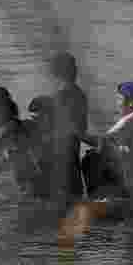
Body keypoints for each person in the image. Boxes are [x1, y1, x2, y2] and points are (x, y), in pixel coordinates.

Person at [80, 82, 133, 204]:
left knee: (92, 157)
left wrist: (77, 133)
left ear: (130, 103)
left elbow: (101, 141)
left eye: (119, 99)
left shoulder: (130, 120)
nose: (117, 104)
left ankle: (98, 200)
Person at [0, 87, 47, 197]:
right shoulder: (17, 126)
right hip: (31, 185)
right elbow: (15, 150)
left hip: (33, 186)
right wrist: (4, 162)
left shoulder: (13, 128)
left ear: (1, 110)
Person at [47, 52, 88, 200]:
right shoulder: (79, 94)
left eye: (74, 66)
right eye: (73, 66)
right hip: (72, 156)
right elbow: (82, 129)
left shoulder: (60, 96)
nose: (76, 69)